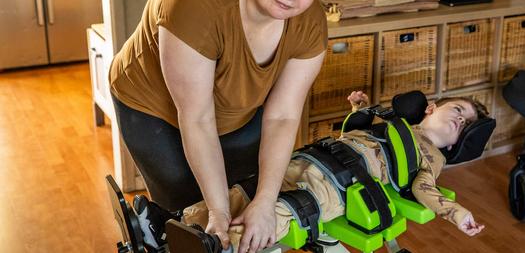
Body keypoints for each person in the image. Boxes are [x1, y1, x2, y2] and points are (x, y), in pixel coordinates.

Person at [108, 0, 343, 252]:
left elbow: (282, 117)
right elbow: (197, 117)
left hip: (237, 107)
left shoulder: (309, 25)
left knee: (245, 199)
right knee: (190, 214)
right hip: (154, 108)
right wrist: (215, 211)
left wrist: (265, 200)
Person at [135, 91, 488, 251]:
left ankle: (216, 247)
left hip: (339, 185)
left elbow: (427, 191)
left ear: (455, 144)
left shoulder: (427, 159)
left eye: (464, 124)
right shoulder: (391, 122)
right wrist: (359, 108)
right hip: (315, 158)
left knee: (285, 211)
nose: (459, 118)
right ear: (430, 108)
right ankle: (170, 224)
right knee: (246, 192)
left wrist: (457, 214)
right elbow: (355, 131)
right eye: (458, 109)